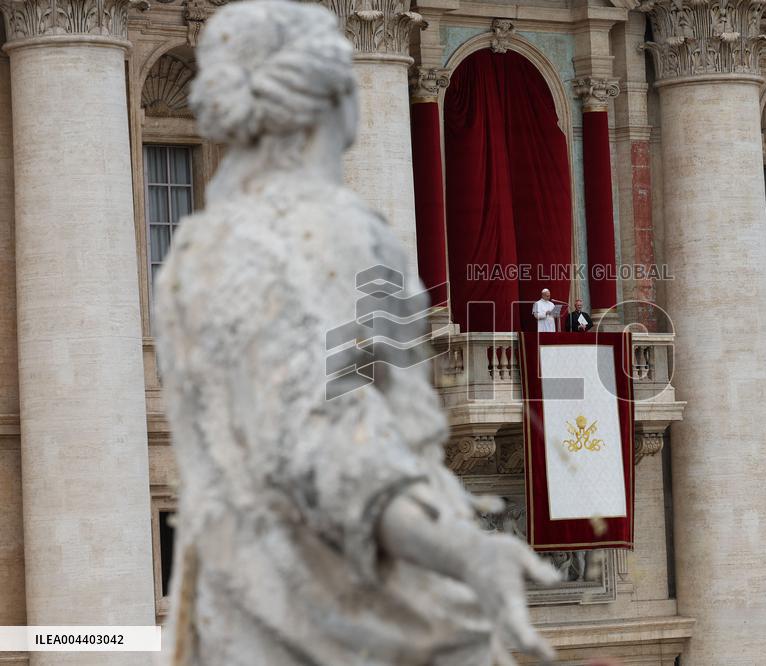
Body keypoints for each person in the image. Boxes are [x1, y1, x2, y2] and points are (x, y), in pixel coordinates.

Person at [153, 3, 557, 664]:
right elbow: (337, 442)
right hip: (340, 598)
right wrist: (467, 550)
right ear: (337, 97)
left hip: (230, 602)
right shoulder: (341, 231)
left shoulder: (192, 249)